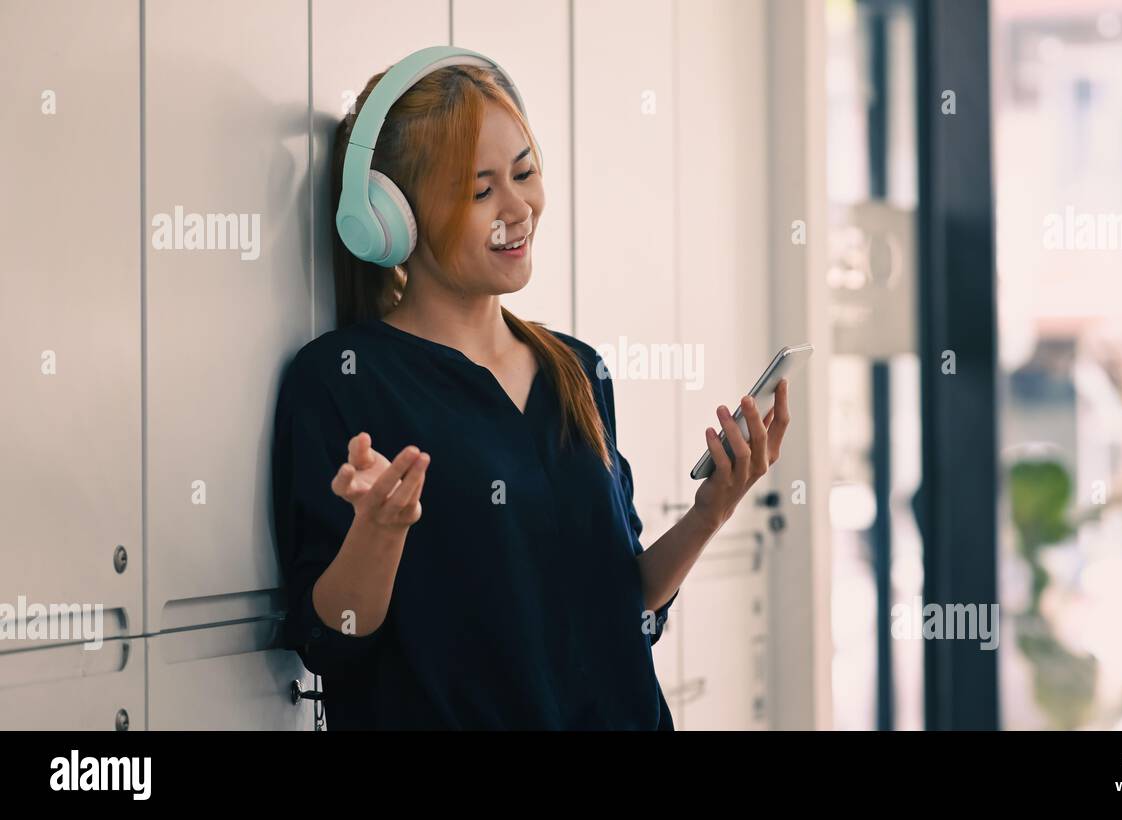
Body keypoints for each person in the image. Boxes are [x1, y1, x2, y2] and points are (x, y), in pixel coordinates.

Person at [270, 49, 792, 729]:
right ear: (392, 217)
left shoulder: (576, 370)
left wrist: (711, 511)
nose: (516, 208)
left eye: (523, 174)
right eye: (479, 190)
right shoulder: (342, 380)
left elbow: (623, 605)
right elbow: (331, 640)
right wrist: (378, 533)